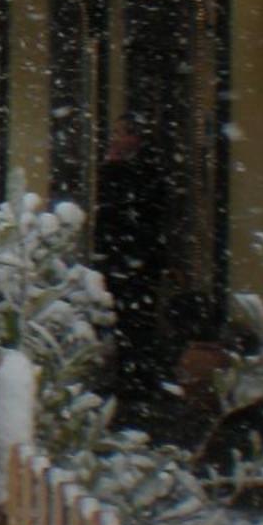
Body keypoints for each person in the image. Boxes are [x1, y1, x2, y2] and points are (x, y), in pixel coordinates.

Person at [91, 112, 167, 404]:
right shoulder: (142, 170)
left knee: (133, 321)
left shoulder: (136, 172)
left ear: (135, 138)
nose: (115, 139)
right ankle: (133, 378)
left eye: (121, 133)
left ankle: (135, 382)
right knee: (130, 320)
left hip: (131, 257)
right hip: (128, 256)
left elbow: (119, 210)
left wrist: (112, 171)